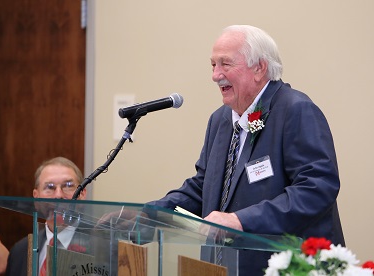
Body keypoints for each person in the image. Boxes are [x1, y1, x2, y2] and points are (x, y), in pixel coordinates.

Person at [142, 25, 345, 275]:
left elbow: (316, 188)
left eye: (225, 64)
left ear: (259, 68)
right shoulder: (222, 120)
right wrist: (151, 214)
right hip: (222, 266)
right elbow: (203, 187)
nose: (216, 75)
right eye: (213, 65)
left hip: (287, 267)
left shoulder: (295, 110)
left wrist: (240, 221)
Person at [5, 157, 87, 276]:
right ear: (36, 196)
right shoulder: (20, 251)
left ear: (82, 194)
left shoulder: (103, 247)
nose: (58, 195)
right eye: (50, 187)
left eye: (68, 185)